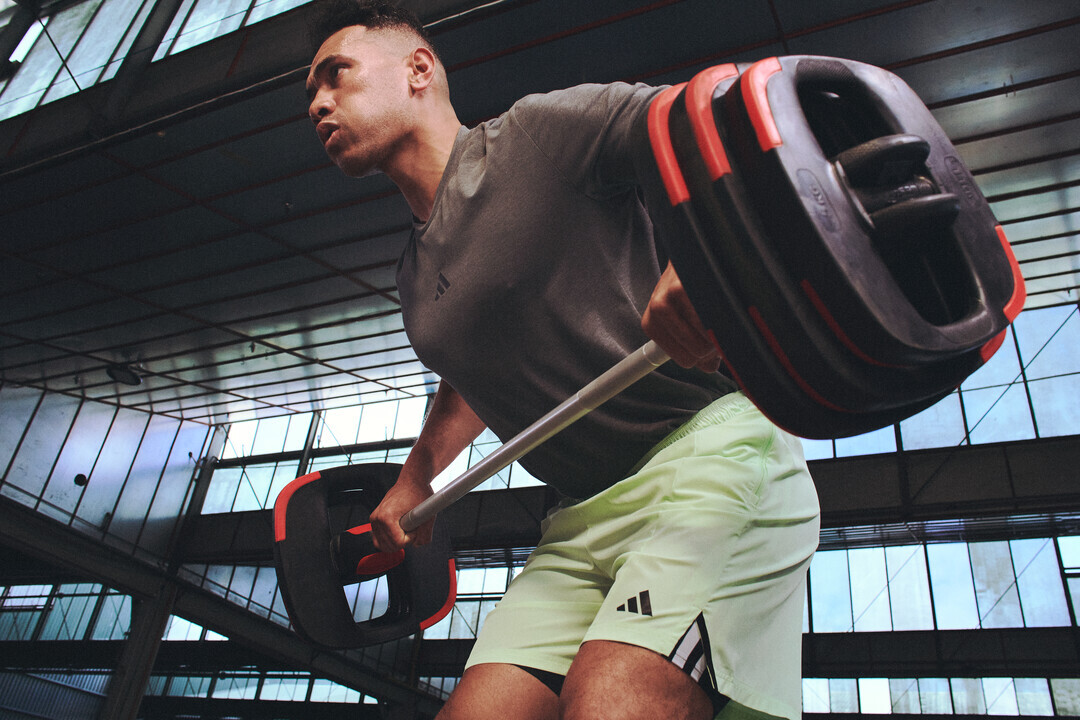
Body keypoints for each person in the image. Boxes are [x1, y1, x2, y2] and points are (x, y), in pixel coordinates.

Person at [304, 2, 820, 718]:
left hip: (706, 456)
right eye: (311, 96)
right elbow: (474, 375)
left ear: (419, 69)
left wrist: (710, 252)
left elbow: (709, 120)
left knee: (612, 699)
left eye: (336, 76)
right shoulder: (414, 278)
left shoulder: (537, 135)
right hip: (577, 518)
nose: (320, 103)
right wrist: (415, 475)